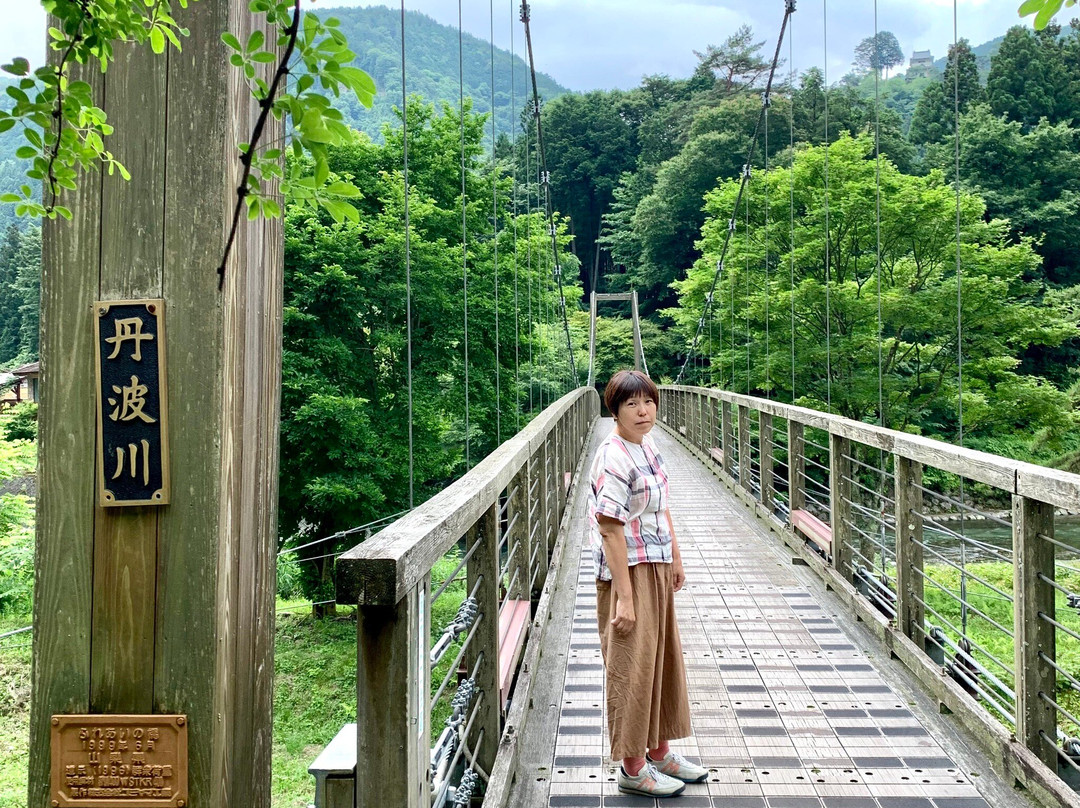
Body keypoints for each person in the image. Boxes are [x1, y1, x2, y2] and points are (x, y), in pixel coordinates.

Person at [587, 369, 708, 798]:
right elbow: (609, 529)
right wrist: (624, 597)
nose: (643, 411)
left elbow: (661, 507)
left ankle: (661, 753)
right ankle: (633, 768)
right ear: (614, 410)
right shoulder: (613, 455)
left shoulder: (648, 445)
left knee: (661, 661)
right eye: (631, 404)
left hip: (655, 565)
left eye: (649, 402)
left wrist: (675, 556)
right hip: (629, 572)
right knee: (632, 669)